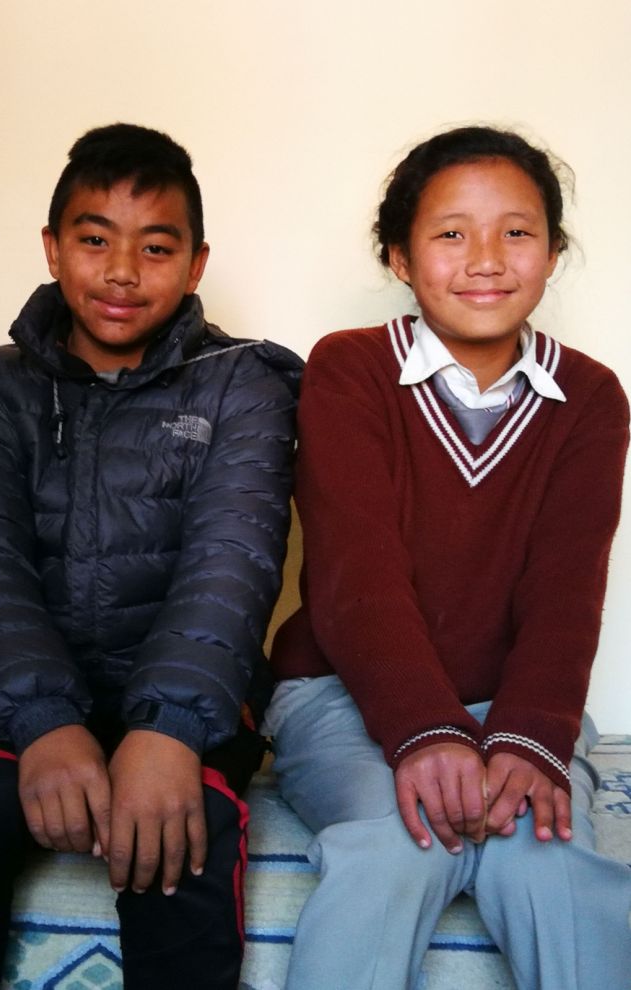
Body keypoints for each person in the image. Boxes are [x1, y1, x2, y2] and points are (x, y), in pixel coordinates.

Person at [0, 122, 301, 990]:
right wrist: (42, 721)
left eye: (155, 247)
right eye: (94, 240)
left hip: (192, 694)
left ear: (195, 264)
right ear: (52, 248)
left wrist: (168, 731)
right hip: (19, 693)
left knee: (180, 828)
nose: (121, 271)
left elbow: (231, 563)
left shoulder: (243, 385)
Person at [265, 125, 631, 989]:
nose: (486, 259)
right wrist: (428, 733)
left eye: (517, 231)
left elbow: (566, 590)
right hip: (341, 693)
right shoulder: (349, 368)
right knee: (402, 845)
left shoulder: (589, 397)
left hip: (514, 702)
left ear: (552, 252)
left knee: (548, 860)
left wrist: (528, 739)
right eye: (450, 233)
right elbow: (355, 574)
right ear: (398, 256)